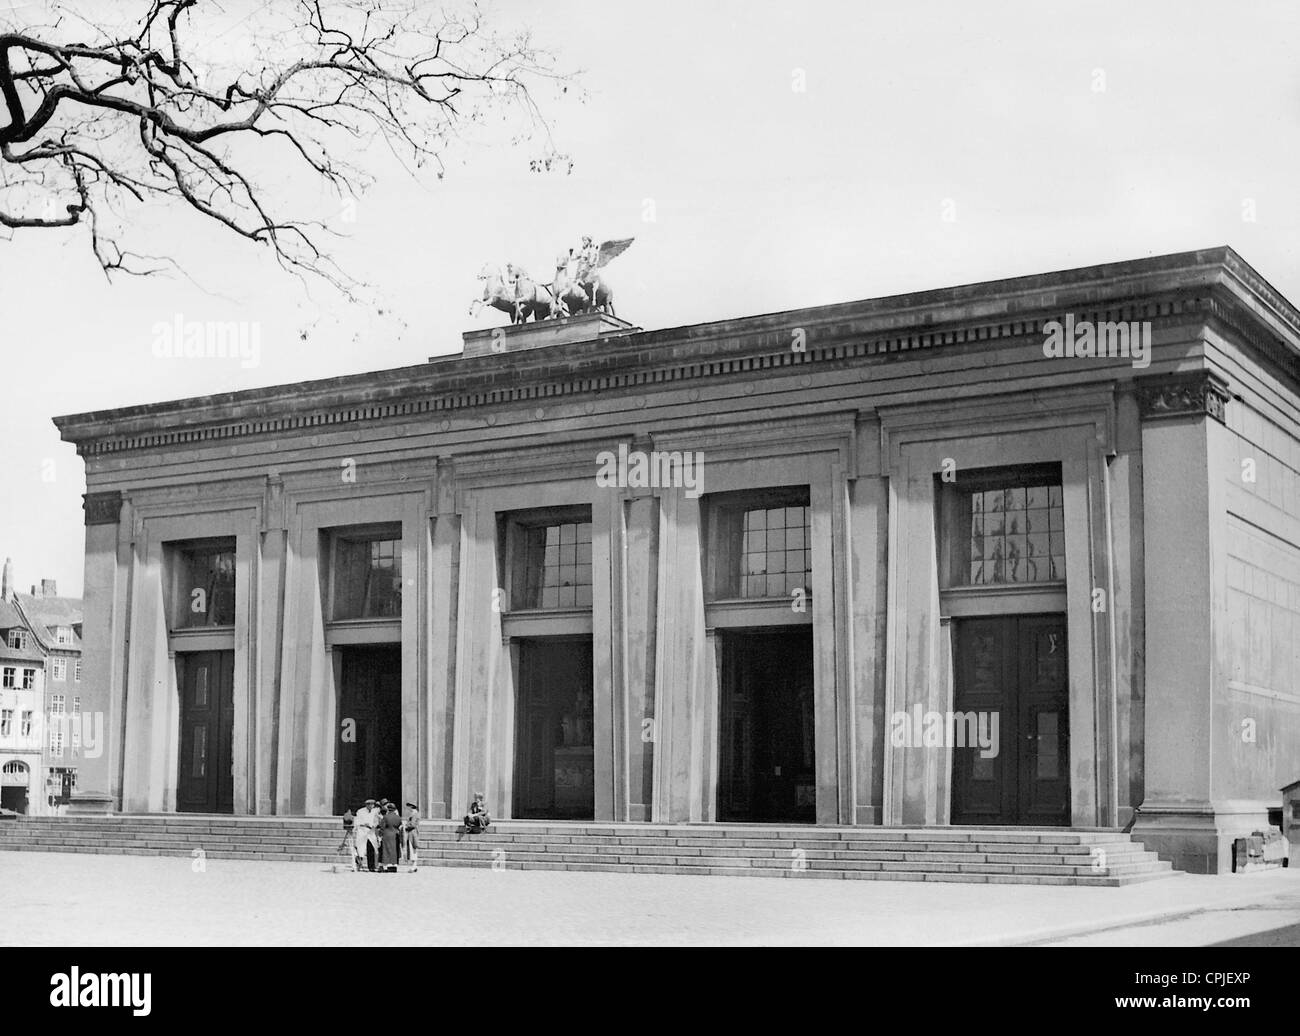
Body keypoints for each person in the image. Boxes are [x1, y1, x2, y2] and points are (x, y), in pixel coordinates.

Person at [355, 798, 379, 872]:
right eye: (370, 805)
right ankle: (358, 865)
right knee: (360, 849)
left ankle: (371, 866)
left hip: (371, 833)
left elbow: (376, 821)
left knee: (371, 849)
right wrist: (364, 824)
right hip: (362, 832)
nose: (371, 806)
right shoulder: (360, 811)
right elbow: (357, 821)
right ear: (367, 805)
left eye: (372, 805)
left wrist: (373, 825)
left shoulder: (375, 811)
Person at [378, 801, 403, 873]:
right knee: (394, 850)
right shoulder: (398, 817)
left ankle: (385, 866)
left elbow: (382, 827)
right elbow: (400, 826)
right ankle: (393, 866)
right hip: (395, 834)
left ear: (388, 809)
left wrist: (380, 835)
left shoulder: (385, 817)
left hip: (387, 834)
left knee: (386, 850)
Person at [402, 801, 420, 872]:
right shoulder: (414, 814)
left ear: (411, 807)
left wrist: (406, 827)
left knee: (413, 849)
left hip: (412, 833)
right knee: (412, 849)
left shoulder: (414, 814)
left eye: (409, 807)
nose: (408, 808)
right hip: (412, 833)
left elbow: (413, 824)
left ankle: (414, 866)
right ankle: (414, 865)